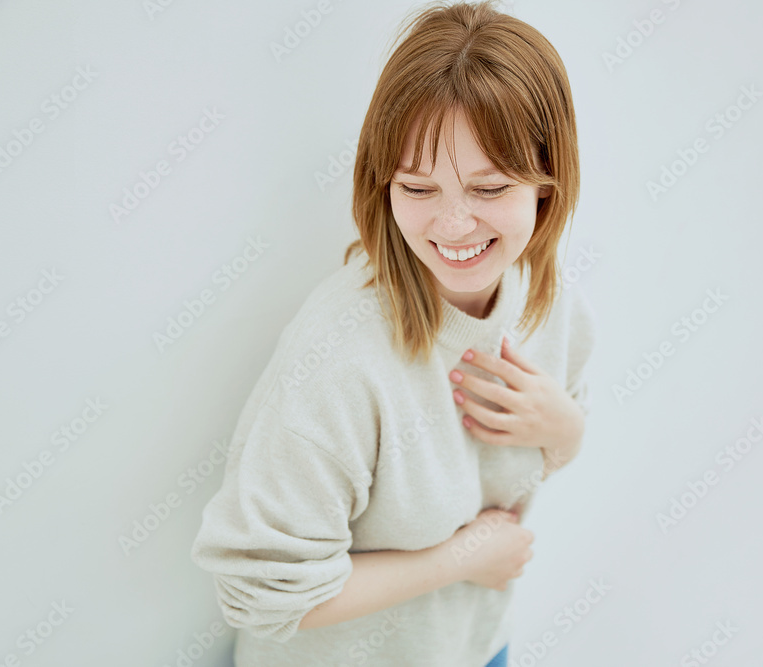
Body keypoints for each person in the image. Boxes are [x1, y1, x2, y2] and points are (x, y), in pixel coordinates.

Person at [189, 1, 597, 665]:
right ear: (383, 184)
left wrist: (566, 430)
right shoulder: (339, 357)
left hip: (474, 646)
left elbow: (528, 465)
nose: (454, 226)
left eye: (490, 188)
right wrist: (463, 557)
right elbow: (258, 593)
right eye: (418, 188)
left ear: (545, 186)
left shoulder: (553, 304)